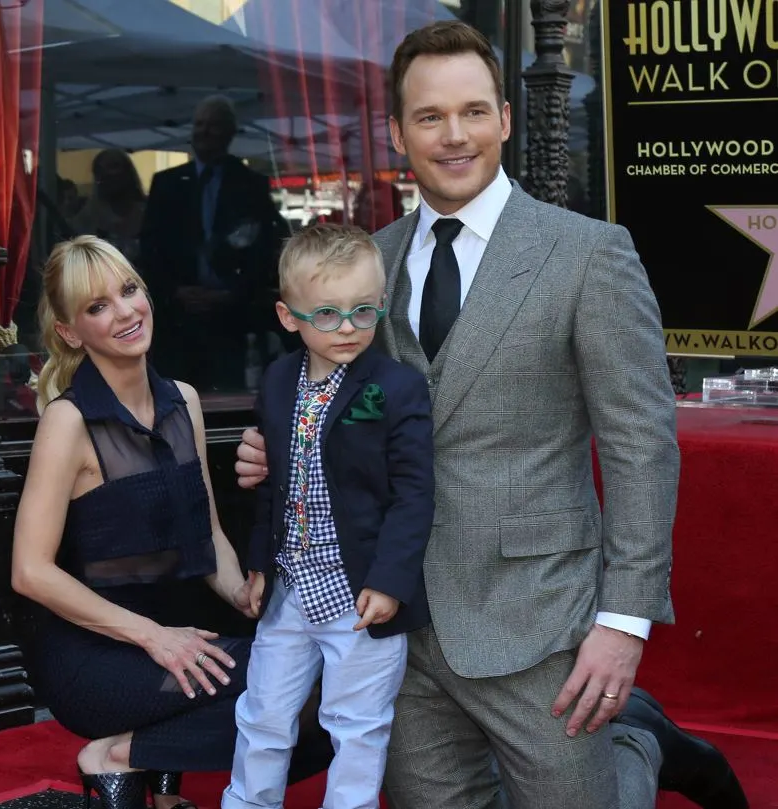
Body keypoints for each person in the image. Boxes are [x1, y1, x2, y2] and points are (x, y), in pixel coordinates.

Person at [234, 20, 748, 809]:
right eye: (429, 116)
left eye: (473, 111)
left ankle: (639, 746)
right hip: (393, 622)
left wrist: (624, 620)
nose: (454, 135)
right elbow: (332, 403)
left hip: (537, 617)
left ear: (505, 118)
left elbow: (640, 444)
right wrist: (281, 447)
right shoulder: (364, 260)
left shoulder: (587, 252)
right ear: (399, 131)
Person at [10, 236, 330, 809]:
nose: (126, 311)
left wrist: (240, 592)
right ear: (69, 332)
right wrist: (153, 638)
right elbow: (30, 572)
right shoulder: (68, 422)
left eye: (129, 290)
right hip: (96, 656)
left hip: (179, 635)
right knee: (293, 682)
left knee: (334, 684)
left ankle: (132, 755)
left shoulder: (183, 400)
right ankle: (113, 755)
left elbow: (204, 531)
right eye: (97, 306)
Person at [221, 224, 435, 809]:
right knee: (263, 712)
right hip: (290, 587)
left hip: (359, 592)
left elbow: (414, 495)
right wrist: (260, 564)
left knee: (357, 724)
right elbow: (270, 484)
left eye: (364, 312)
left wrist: (390, 581)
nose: (347, 328)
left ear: (383, 306)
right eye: (328, 314)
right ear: (289, 317)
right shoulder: (276, 380)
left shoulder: (397, 387)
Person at [139, 95, 290, 391]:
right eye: (199, 124)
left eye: (213, 125)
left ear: (230, 133)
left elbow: (264, 250)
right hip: (178, 319)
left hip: (231, 318)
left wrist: (231, 293)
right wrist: (176, 291)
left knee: (228, 395)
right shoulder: (167, 183)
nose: (204, 131)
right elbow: (151, 247)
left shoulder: (250, 184)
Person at [73, 150, 147, 263]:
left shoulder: (149, 216)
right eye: (100, 169)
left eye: (114, 166)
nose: (106, 174)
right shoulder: (86, 220)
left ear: (128, 172)